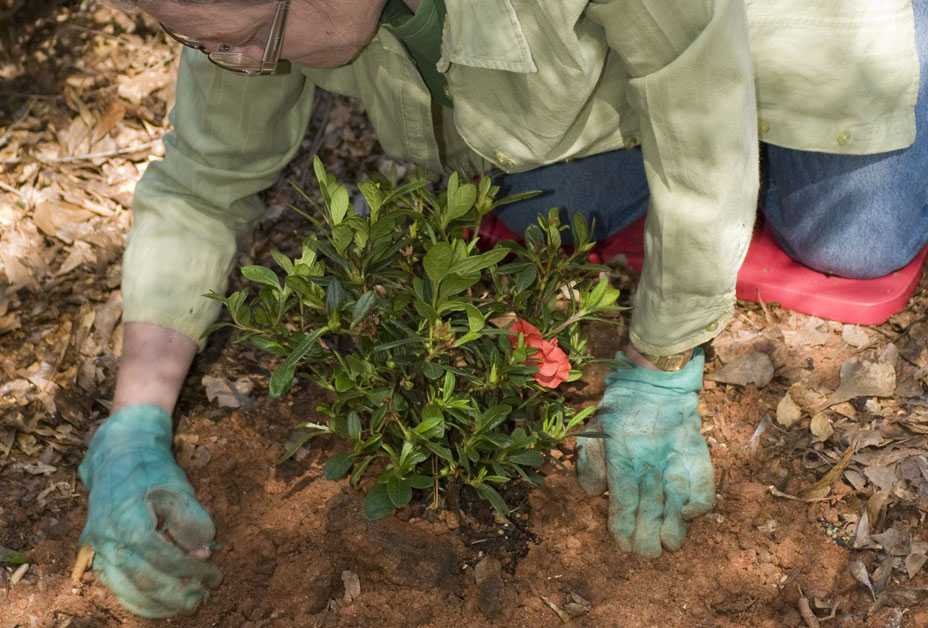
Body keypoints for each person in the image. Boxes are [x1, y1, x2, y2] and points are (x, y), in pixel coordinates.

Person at [81, 0, 927, 618]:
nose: (238, 63)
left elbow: (703, 127)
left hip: (771, 22)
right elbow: (201, 179)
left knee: (856, 242)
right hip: (653, 43)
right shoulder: (237, 16)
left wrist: (662, 363)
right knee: (540, 211)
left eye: (250, 39)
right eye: (201, 44)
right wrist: (133, 423)